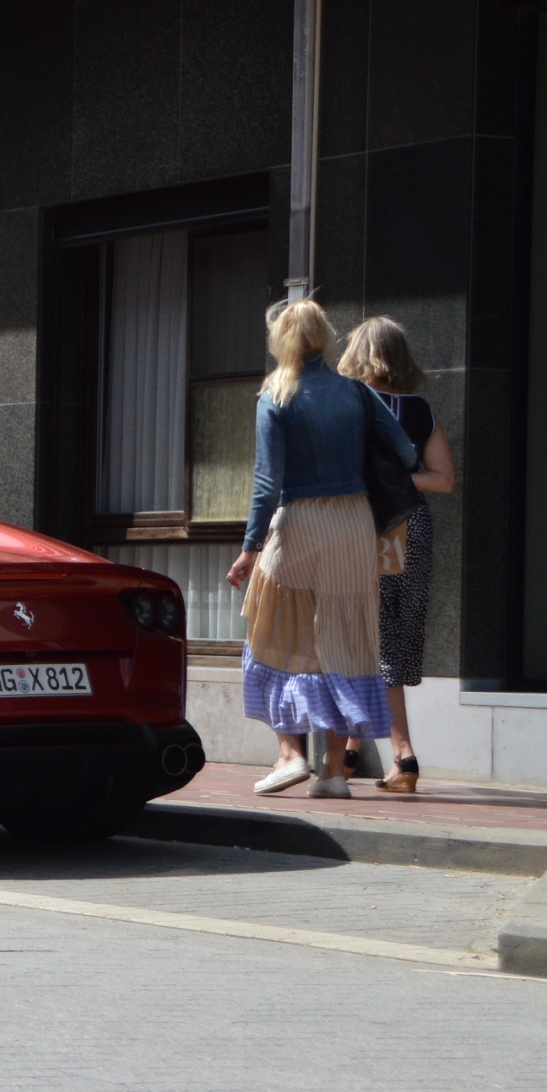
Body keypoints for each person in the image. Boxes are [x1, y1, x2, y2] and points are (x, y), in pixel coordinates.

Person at [226, 297, 418, 798]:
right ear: (325, 337)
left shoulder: (276, 395)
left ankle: (290, 754)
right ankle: (334, 770)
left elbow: (267, 482)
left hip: (302, 522)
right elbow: (405, 451)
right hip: (355, 525)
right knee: (345, 642)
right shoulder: (357, 392)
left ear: (280, 342)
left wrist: (249, 548)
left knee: (271, 629)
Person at [337, 315, 456, 793]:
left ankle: (403, 754)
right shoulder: (420, 410)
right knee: (390, 638)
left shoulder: (351, 405)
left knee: (370, 638)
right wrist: (400, 480)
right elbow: (444, 480)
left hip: (367, 527)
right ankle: (348, 753)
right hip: (415, 525)